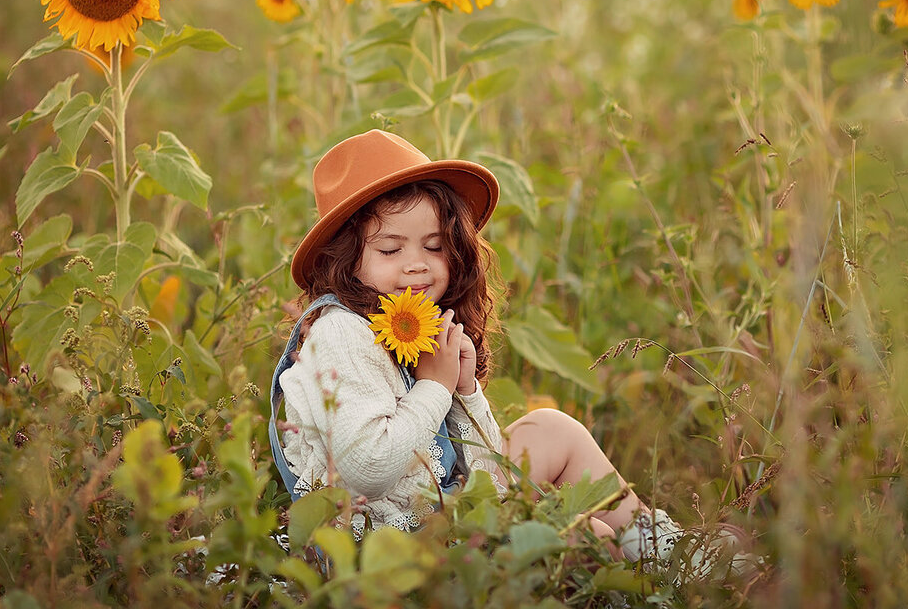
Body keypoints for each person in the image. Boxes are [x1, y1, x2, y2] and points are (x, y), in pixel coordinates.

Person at [269, 129, 751, 577]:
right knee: (586, 538)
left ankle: (667, 552)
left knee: (553, 429)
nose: (416, 264)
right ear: (345, 260)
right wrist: (435, 387)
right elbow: (366, 468)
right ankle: (660, 582)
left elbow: (484, 473)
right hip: (379, 553)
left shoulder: (415, 328)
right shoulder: (341, 335)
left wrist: (464, 391)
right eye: (390, 250)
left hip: (438, 511)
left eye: (433, 246)